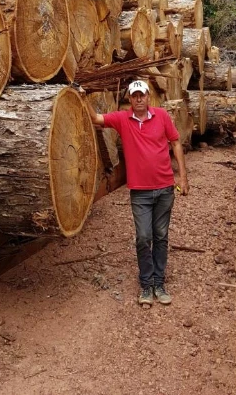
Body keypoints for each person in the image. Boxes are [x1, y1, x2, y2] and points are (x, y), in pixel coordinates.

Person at [84, 79, 189, 306]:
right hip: (140, 192)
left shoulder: (161, 115)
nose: (139, 99)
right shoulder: (123, 119)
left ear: (148, 96)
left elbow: (176, 142)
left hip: (164, 188)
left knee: (160, 236)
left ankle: (159, 283)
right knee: (143, 237)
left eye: (142, 95)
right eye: (135, 96)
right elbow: (95, 119)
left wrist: (182, 176)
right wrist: (82, 95)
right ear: (130, 99)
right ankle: (146, 285)